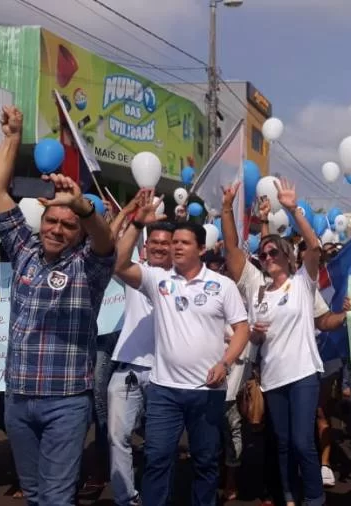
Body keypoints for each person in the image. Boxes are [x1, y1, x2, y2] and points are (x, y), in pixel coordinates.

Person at [0, 105, 116, 504]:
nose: (57, 229)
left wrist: (84, 207)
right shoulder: (23, 248)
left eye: (68, 225)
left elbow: (105, 241)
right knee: (35, 493)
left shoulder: (89, 266)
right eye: (52, 221)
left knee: (57, 497)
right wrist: (12, 138)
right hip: (19, 400)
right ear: (41, 221)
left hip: (66, 403)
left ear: (78, 233)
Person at [113, 190, 250, 506]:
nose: (175, 247)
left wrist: (226, 362)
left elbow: (241, 329)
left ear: (202, 249)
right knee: (158, 459)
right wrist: (136, 223)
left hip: (208, 390)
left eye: (183, 243)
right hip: (164, 392)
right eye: (173, 242)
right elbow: (119, 263)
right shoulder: (157, 280)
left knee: (204, 462)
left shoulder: (222, 286)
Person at [220, 185, 349, 496]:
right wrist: (226, 207)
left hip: (303, 374)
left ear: (289, 257)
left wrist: (293, 209)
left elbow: (314, 248)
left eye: (273, 252)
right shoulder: (256, 285)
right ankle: (289, 499)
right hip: (272, 379)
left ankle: (314, 498)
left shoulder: (303, 282)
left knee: (303, 442)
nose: (266, 257)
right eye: (263, 254)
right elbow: (233, 252)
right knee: (283, 443)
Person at [107, 196, 174, 506]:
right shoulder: (137, 273)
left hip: (166, 375)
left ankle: (157, 496)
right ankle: (126, 499)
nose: (160, 247)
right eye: (154, 242)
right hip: (128, 370)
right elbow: (114, 255)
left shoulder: (184, 281)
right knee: (116, 438)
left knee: (160, 445)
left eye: (166, 243)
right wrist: (131, 218)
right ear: (145, 249)